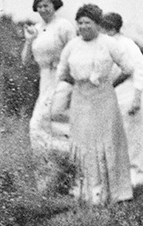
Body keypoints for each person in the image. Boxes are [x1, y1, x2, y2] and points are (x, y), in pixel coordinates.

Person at [56, 4, 134, 205]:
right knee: (83, 144)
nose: (83, 27)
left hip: (104, 99)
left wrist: (109, 85)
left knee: (106, 142)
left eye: (88, 23)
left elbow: (127, 68)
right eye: (80, 23)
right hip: (81, 100)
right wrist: (79, 85)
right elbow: (62, 72)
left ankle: (115, 193)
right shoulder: (72, 45)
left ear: (97, 24)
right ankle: (86, 194)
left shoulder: (108, 43)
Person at [21, 0, 76, 193]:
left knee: (61, 125)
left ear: (54, 5)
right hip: (45, 80)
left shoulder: (64, 26)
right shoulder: (36, 29)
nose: (43, 9)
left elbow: (75, 53)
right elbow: (25, 61)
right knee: (38, 127)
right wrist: (29, 40)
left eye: (47, 5)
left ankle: (72, 178)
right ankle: (47, 182)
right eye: (40, 6)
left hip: (63, 78)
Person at [101, 12, 143, 187]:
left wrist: (137, 99)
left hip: (131, 94)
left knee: (135, 138)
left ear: (112, 28)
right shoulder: (106, 45)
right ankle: (120, 179)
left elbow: (140, 71)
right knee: (119, 137)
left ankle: (139, 179)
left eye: (105, 26)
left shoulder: (127, 44)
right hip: (115, 96)